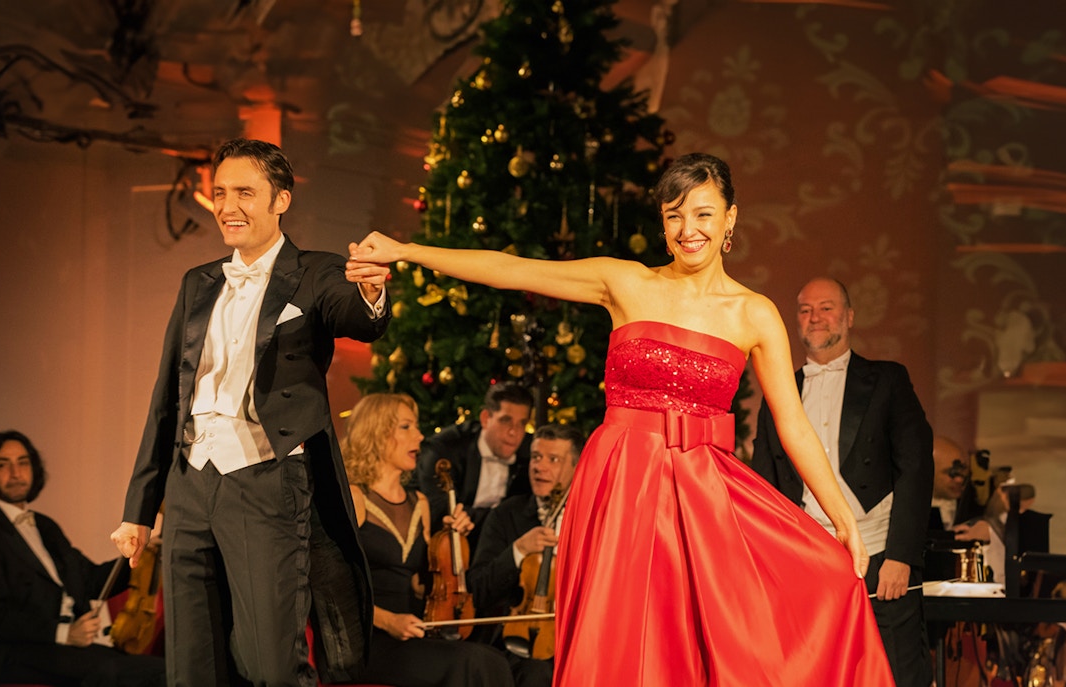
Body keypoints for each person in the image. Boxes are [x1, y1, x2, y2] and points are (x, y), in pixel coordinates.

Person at [346, 152, 893, 686]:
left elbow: (793, 423)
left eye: (703, 213)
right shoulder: (627, 282)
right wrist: (407, 250)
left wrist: (841, 516)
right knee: (623, 637)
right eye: (674, 214)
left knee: (718, 635)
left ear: (730, 217)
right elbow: (514, 271)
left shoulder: (753, 313)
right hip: (622, 483)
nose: (688, 229)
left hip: (703, 495)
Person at [110, 138, 392, 686]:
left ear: (281, 199)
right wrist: (139, 508)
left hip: (268, 480)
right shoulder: (198, 282)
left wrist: (372, 293)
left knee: (271, 662)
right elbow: (168, 396)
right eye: (220, 193)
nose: (228, 206)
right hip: (191, 485)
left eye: (245, 192)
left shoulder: (316, 272)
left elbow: (359, 317)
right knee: (192, 664)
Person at [750, 276, 934, 687]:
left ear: (849, 317)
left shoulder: (888, 380)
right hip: (807, 561)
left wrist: (901, 557)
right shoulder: (780, 391)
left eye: (826, 307)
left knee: (897, 673)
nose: (815, 317)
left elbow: (916, 469)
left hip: (882, 554)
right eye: (804, 310)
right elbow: (765, 485)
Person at [0, 430, 165, 687]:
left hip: (66, 650)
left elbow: (90, 580)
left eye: (23, 463)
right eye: (3, 464)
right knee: (146, 674)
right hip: (15, 655)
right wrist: (63, 633)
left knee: (160, 668)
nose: (15, 473)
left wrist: (142, 553)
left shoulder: (44, 526)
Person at [341, 393, 515, 687]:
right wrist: (387, 620)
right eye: (406, 427)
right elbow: (331, 590)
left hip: (411, 630)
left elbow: (420, 585)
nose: (420, 436)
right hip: (368, 637)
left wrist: (448, 542)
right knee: (471, 663)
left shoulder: (419, 503)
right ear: (377, 432)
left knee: (492, 659)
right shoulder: (355, 498)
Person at [467, 423, 585, 687]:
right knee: (536, 673)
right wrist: (518, 551)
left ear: (577, 468)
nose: (539, 467)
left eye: (553, 459)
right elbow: (478, 588)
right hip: (514, 641)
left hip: (577, 638)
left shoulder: (592, 519)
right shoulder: (506, 514)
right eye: (535, 457)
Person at [418, 381, 534, 547]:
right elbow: (440, 512)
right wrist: (500, 519)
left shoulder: (531, 453)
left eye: (522, 423)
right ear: (486, 418)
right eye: (506, 421)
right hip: (451, 545)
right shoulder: (445, 449)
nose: (514, 432)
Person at [928, 436, 982, 532]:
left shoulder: (971, 503)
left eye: (962, 471)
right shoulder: (906, 508)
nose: (959, 479)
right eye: (952, 473)